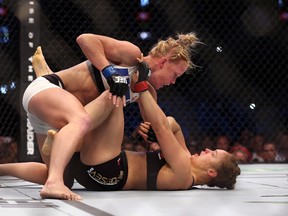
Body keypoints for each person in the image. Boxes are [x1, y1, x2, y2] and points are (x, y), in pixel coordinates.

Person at [1, 72, 240, 200]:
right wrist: (158, 129)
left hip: (108, 171)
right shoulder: (185, 157)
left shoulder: (183, 174)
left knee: (116, 92)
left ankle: (64, 111)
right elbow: (172, 125)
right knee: (56, 171)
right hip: (94, 171)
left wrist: (140, 83)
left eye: (213, 154)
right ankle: (3, 168)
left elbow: (164, 127)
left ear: (211, 173)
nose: (207, 150)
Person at [22, 33, 200, 200]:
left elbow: (152, 125)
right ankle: (53, 183)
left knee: (65, 176)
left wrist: (151, 132)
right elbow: (85, 39)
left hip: (52, 117)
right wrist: (109, 71)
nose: (173, 82)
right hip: (47, 91)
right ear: (163, 62)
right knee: (99, 107)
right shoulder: (131, 56)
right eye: (175, 75)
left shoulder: (148, 92)